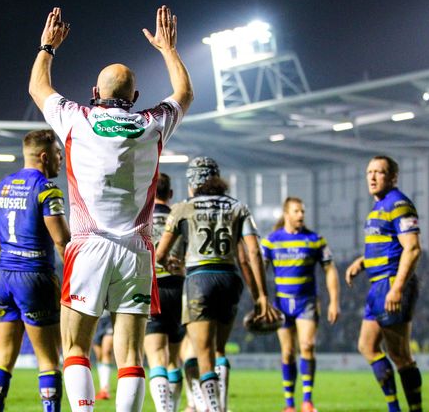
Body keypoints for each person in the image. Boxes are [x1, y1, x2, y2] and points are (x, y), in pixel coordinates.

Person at [29, 5, 193, 411]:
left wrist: (48, 46)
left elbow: (37, 87)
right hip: (137, 250)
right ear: (134, 98)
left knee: (75, 347)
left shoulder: (77, 119)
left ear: (94, 92)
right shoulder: (151, 124)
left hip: (88, 246)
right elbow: (184, 94)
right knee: (131, 356)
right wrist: (168, 49)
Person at [156, 157, 278, 412]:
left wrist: (173, 265)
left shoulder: (182, 208)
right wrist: (261, 295)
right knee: (219, 349)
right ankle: (222, 405)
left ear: (192, 183)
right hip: (229, 277)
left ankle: (213, 408)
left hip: (199, 278)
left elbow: (160, 255)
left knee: (203, 354)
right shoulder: (238, 207)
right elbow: (252, 254)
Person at [0, 129, 70, 412]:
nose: (61, 159)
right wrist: (71, 277)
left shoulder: (0, 188)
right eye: (58, 154)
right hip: (35, 277)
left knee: (2, 357)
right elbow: (61, 240)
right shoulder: (47, 190)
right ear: (44, 157)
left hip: (3, 277)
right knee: (48, 359)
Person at [345, 155, 423, 412]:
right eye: (369, 172)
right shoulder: (378, 209)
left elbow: (412, 249)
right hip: (377, 285)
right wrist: (363, 262)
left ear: (393, 178)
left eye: (379, 172)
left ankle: (414, 409)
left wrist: (398, 287)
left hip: (390, 284)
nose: (373, 177)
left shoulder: (398, 204)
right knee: (366, 346)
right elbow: (387, 246)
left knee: (401, 356)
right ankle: (394, 408)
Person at [261, 197, 340, 412]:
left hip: (307, 302)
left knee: (307, 346)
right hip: (281, 304)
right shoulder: (271, 241)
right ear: (286, 214)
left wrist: (334, 301)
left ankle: (307, 400)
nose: (301, 215)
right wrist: (261, 298)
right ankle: (289, 404)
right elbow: (260, 269)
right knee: (287, 352)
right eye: (296, 211)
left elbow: (330, 269)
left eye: (302, 211)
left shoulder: (315, 240)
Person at [145, 173, 186, 412]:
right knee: (173, 359)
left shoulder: (142, 219)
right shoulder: (179, 218)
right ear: (170, 194)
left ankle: (164, 410)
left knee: (156, 357)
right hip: (179, 289)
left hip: (153, 288)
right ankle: (174, 407)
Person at [91, 312, 114, 401]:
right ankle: (102, 388)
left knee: (107, 351)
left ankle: (105, 389)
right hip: (95, 316)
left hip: (110, 317)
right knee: (99, 355)